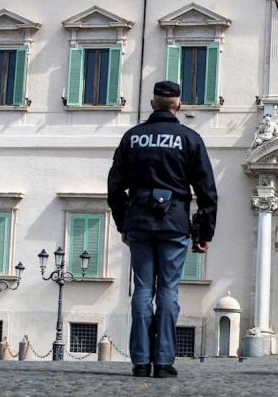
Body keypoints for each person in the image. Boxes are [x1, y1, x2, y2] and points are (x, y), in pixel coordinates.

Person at [107, 81, 218, 378]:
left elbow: (115, 186)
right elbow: (207, 189)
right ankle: (164, 361)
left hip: (140, 222)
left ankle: (140, 362)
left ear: (153, 104)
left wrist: (123, 223)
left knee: (143, 289)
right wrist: (205, 232)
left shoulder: (133, 137)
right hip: (175, 222)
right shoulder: (189, 138)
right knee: (169, 290)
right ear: (178, 106)